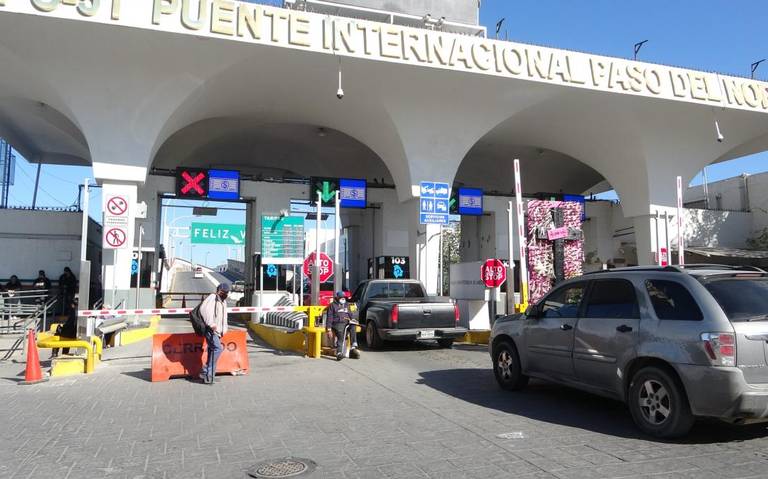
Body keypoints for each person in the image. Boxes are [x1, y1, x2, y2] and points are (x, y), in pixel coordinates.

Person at [198, 283, 229, 384]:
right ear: (219, 291)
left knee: (212, 351)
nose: (225, 294)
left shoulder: (223, 301)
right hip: (211, 330)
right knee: (218, 348)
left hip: (218, 331)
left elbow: (224, 316)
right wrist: (211, 324)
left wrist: (224, 329)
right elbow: (204, 310)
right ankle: (206, 371)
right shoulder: (212, 297)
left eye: (227, 292)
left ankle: (209, 376)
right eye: (223, 292)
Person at [326, 291, 359, 361]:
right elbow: (329, 317)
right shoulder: (332, 305)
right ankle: (339, 353)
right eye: (341, 297)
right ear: (337, 298)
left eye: (344, 297)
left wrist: (353, 319)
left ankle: (353, 344)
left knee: (353, 325)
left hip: (347, 322)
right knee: (341, 335)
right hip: (337, 323)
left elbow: (350, 314)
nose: (343, 299)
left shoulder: (347, 305)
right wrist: (328, 329)